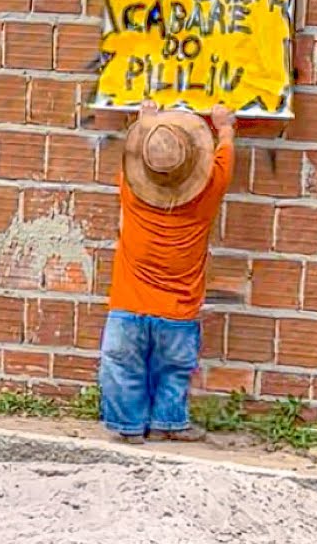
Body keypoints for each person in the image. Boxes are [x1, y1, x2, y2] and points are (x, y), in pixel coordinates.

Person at [100, 100, 235, 444]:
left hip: (127, 306)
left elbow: (134, 155)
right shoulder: (209, 190)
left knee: (122, 368)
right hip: (179, 309)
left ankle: (129, 428)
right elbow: (226, 153)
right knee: (173, 371)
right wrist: (224, 125)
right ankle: (168, 424)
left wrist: (147, 119)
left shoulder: (131, 189)